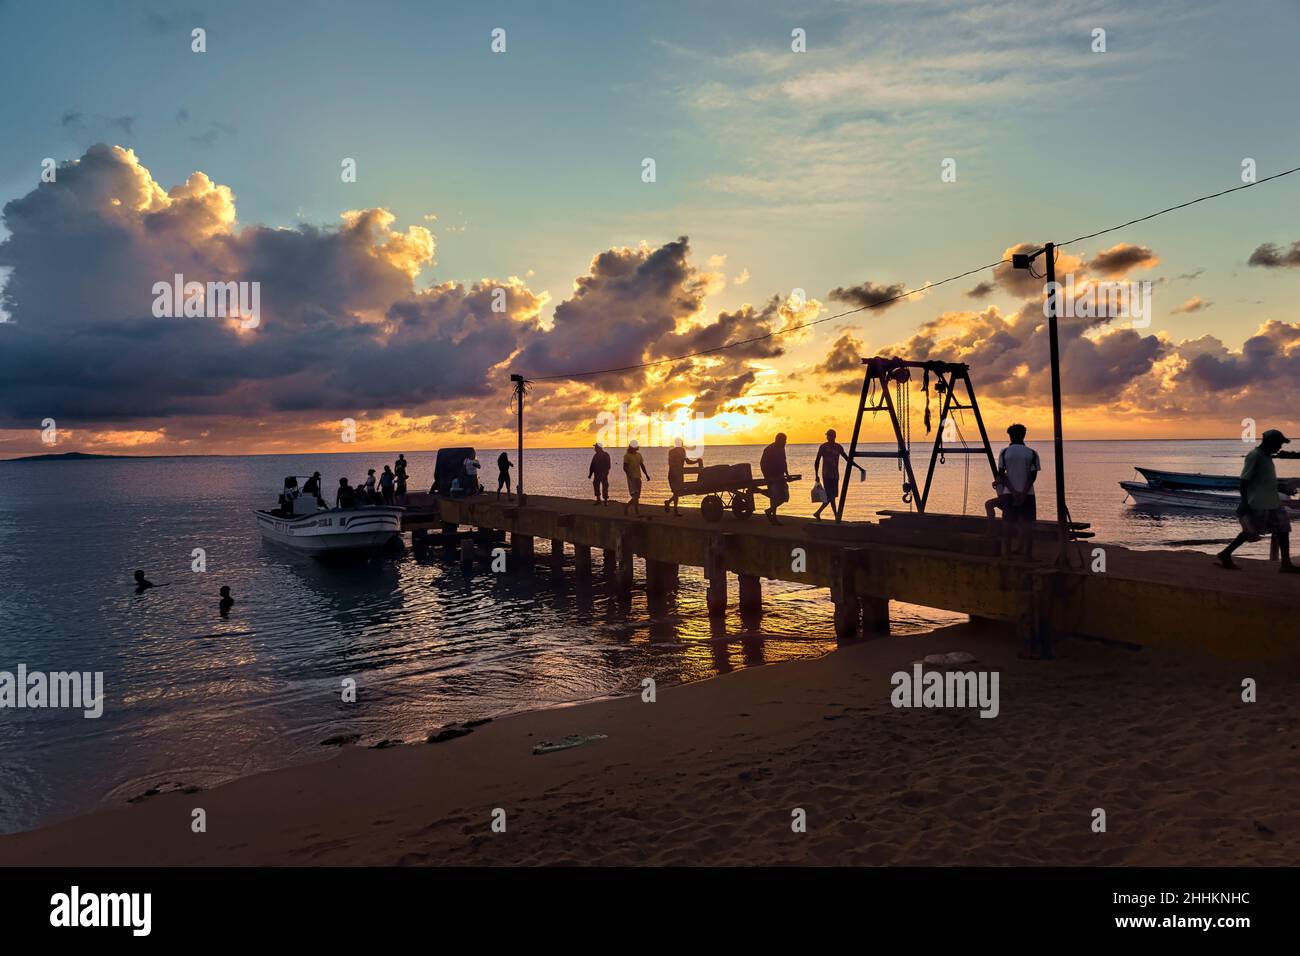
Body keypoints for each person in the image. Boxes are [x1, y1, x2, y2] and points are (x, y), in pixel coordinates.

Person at [1217, 428, 1300, 572]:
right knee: (1250, 532)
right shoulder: (1254, 456)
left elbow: (1266, 481)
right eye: (1279, 444)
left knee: (1283, 528)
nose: (1280, 447)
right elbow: (1244, 481)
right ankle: (1225, 553)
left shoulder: (1267, 457)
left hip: (1273, 501)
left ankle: (1286, 563)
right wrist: (1244, 502)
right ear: (1270, 442)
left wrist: (1283, 489)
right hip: (1259, 503)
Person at [997, 423, 1040, 559]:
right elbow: (1033, 476)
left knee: (1008, 524)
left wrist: (1014, 492)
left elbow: (1002, 475)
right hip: (1028, 494)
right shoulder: (1032, 453)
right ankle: (1028, 555)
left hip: (1008, 494)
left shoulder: (1004, 452)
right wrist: (1022, 492)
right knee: (1028, 525)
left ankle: (1007, 553)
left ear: (1010, 436)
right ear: (1024, 435)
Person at [813, 428, 865, 520]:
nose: (828, 437)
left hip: (835, 475)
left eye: (830, 435)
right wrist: (816, 474)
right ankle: (835, 515)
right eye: (827, 436)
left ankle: (824, 513)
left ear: (834, 436)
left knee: (832, 496)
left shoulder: (838, 447)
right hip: (826, 475)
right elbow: (817, 461)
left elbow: (847, 459)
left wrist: (858, 467)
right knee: (830, 496)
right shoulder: (823, 447)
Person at [760, 433, 792, 524]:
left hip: (780, 476)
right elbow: (762, 464)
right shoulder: (769, 449)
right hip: (771, 477)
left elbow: (784, 462)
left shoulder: (782, 449)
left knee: (784, 496)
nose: (786, 442)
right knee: (774, 496)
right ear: (778, 440)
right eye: (784, 440)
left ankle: (769, 510)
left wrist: (787, 474)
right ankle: (774, 517)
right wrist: (767, 477)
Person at [664, 437, 699, 516]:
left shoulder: (682, 451)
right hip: (673, 474)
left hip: (678, 474)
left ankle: (668, 503)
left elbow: (687, 461)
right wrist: (676, 468)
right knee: (677, 492)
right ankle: (675, 510)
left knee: (678, 492)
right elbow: (671, 463)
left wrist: (696, 461)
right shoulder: (673, 452)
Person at [623, 440, 650, 516]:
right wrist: (629, 476)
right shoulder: (627, 456)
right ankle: (637, 513)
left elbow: (642, 465)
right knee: (635, 495)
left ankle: (626, 507)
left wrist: (646, 474)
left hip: (638, 477)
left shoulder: (639, 455)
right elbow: (624, 467)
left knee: (637, 496)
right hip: (631, 478)